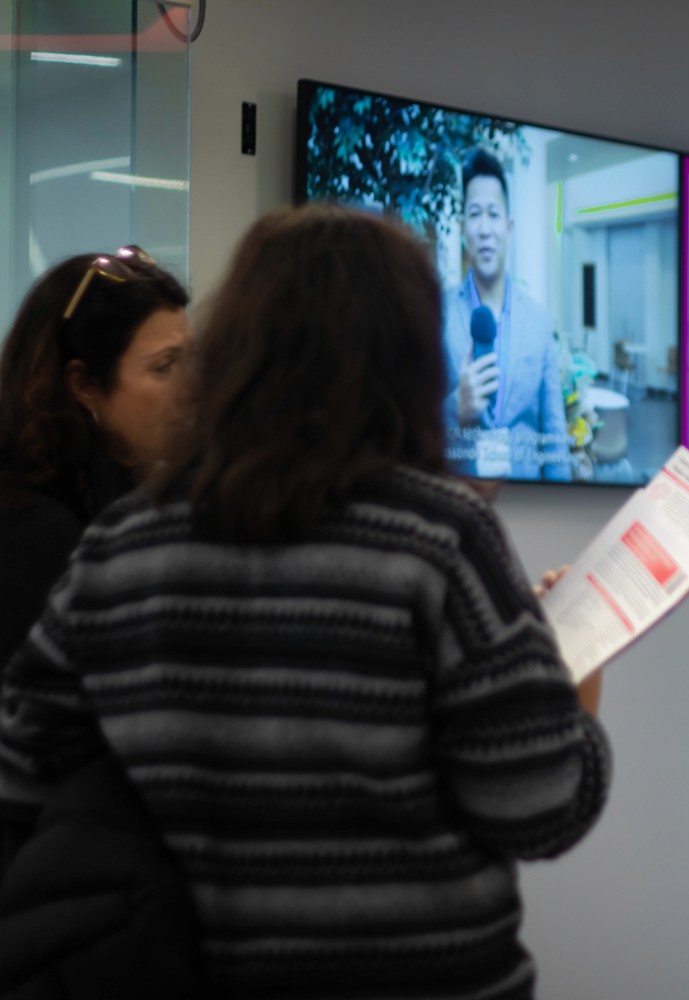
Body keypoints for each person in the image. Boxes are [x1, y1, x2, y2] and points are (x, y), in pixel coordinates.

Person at [0, 205, 610, 999]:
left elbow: (21, 779)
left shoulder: (119, 546)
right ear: (409, 355)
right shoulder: (440, 537)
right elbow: (539, 807)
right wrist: (573, 685)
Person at [0, 247, 198, 992]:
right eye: (165, 367)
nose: (191, 390)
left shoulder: (106, 504)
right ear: (83, 384)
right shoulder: (37, 537)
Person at [442, 147, 569, 480]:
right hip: (458, 498)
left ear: (509, 228)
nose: (485, 229)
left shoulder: (538, 321)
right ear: (462, 228)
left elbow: (555, 438)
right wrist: (455, 407)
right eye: (475, 214)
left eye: (494, 214)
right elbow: (413, 426)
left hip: (528, 501)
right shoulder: (437, 313)